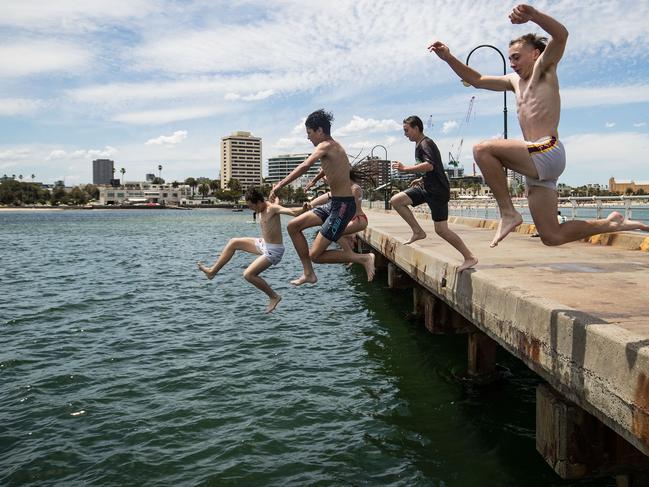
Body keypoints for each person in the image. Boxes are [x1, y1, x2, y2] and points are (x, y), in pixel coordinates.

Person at [429, 4, 649, 248]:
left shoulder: (545, 68)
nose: (512, 63)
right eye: (509, 58)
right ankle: (612, 223)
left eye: (516, 57)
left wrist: (533, 16)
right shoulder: (514, 81)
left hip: (548, 149)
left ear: (535, 54)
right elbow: (477, 80)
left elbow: (561, 35)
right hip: (535, 162)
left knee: (483, 149)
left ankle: (508, 212)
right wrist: (448, 57)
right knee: (551, 236)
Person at [269, 109, 375, 285]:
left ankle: (363, 258)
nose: (308, 138)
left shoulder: (326, 145)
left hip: (343, 207)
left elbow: (305, 165)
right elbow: (324, 169)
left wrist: (280, 184)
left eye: (309, 133)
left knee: (316, 255)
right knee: (293, 226)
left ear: (320, 130)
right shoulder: (333, 149)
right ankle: (308, 273)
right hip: (335, 205)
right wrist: (313, 181)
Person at [197, 187, 305, 313]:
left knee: (248, 274)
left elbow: (291, 211)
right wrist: (275, 194)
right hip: (264, 243)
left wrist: (303, 209)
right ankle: (212, 272)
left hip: (274, 251)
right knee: (233, 242)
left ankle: (274, 296)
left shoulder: (272, 209)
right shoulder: (263, 207)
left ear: (258, 202)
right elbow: (276, 201)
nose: (250, 209)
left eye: (251, 206)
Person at [390, 116, 478, 271]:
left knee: (441, 230)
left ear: (416, 128)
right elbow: (431, 169)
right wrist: (420, 179)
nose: (405, 134)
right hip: (426, 188)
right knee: (396, 200)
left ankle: (470, 257)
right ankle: (418, 232)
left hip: (438, 192)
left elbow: (430, 165)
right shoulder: (419, 144)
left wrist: (405, 169)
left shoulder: (426, 143)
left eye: (406, 130)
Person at [306, 169, 368, 263]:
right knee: (333, 231)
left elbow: (352, 210)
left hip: (358, 220)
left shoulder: (355, 188)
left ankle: (350, 254)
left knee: (334, 232)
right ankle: (349, 252)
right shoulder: (345, 189)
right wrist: (311, 204)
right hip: (354, 220)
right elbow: (328, 195)